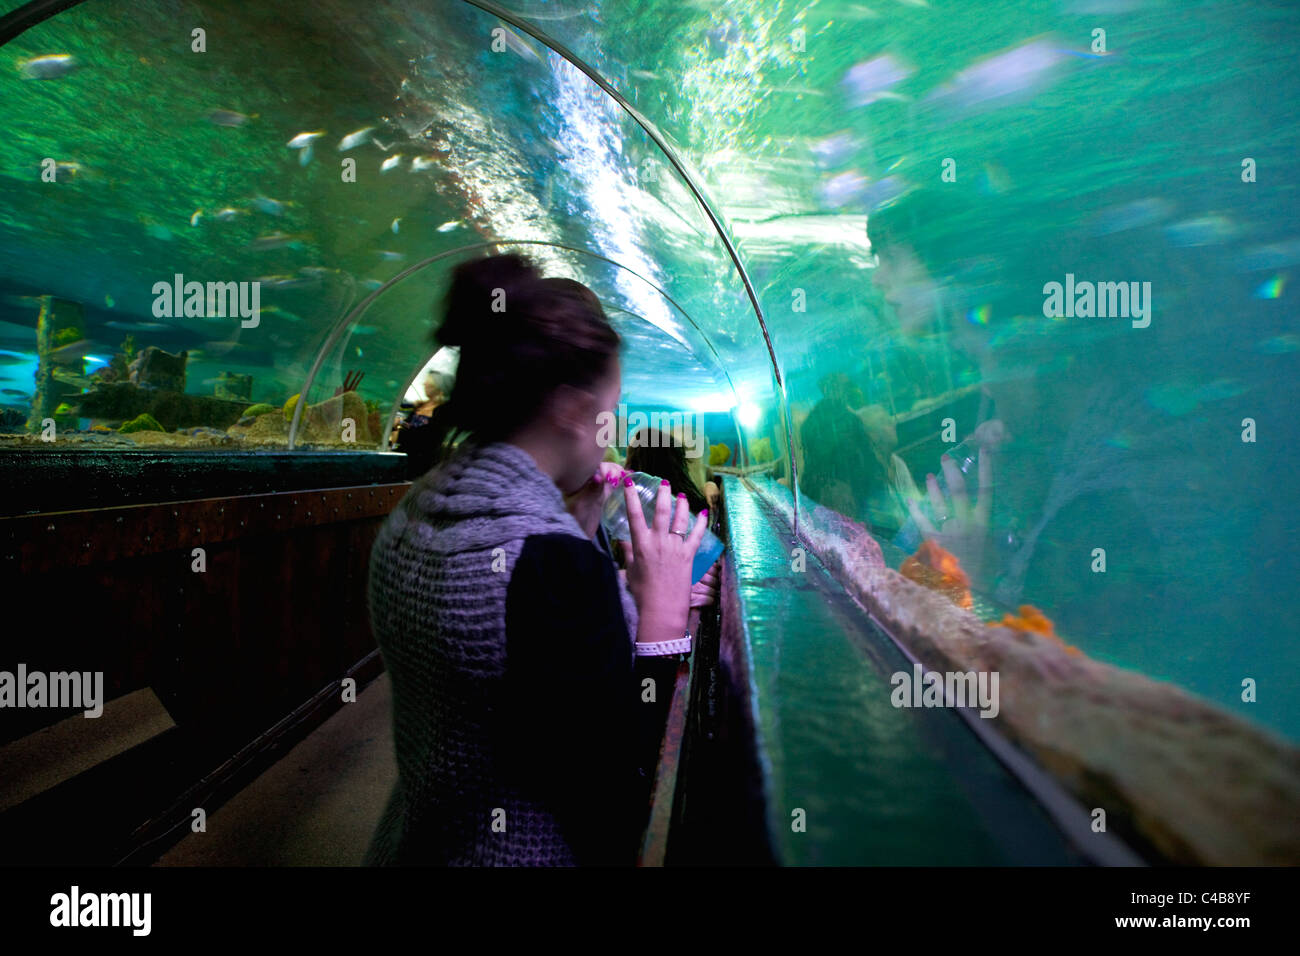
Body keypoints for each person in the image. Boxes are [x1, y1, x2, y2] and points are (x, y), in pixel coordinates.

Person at [364, 254, 710, 866]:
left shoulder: (415, 513)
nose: (611, 431)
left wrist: (601, 568)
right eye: (611, 408)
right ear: (575, 411)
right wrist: (659, 620)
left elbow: (520, 689)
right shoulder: (552, 566)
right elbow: (624, 785)